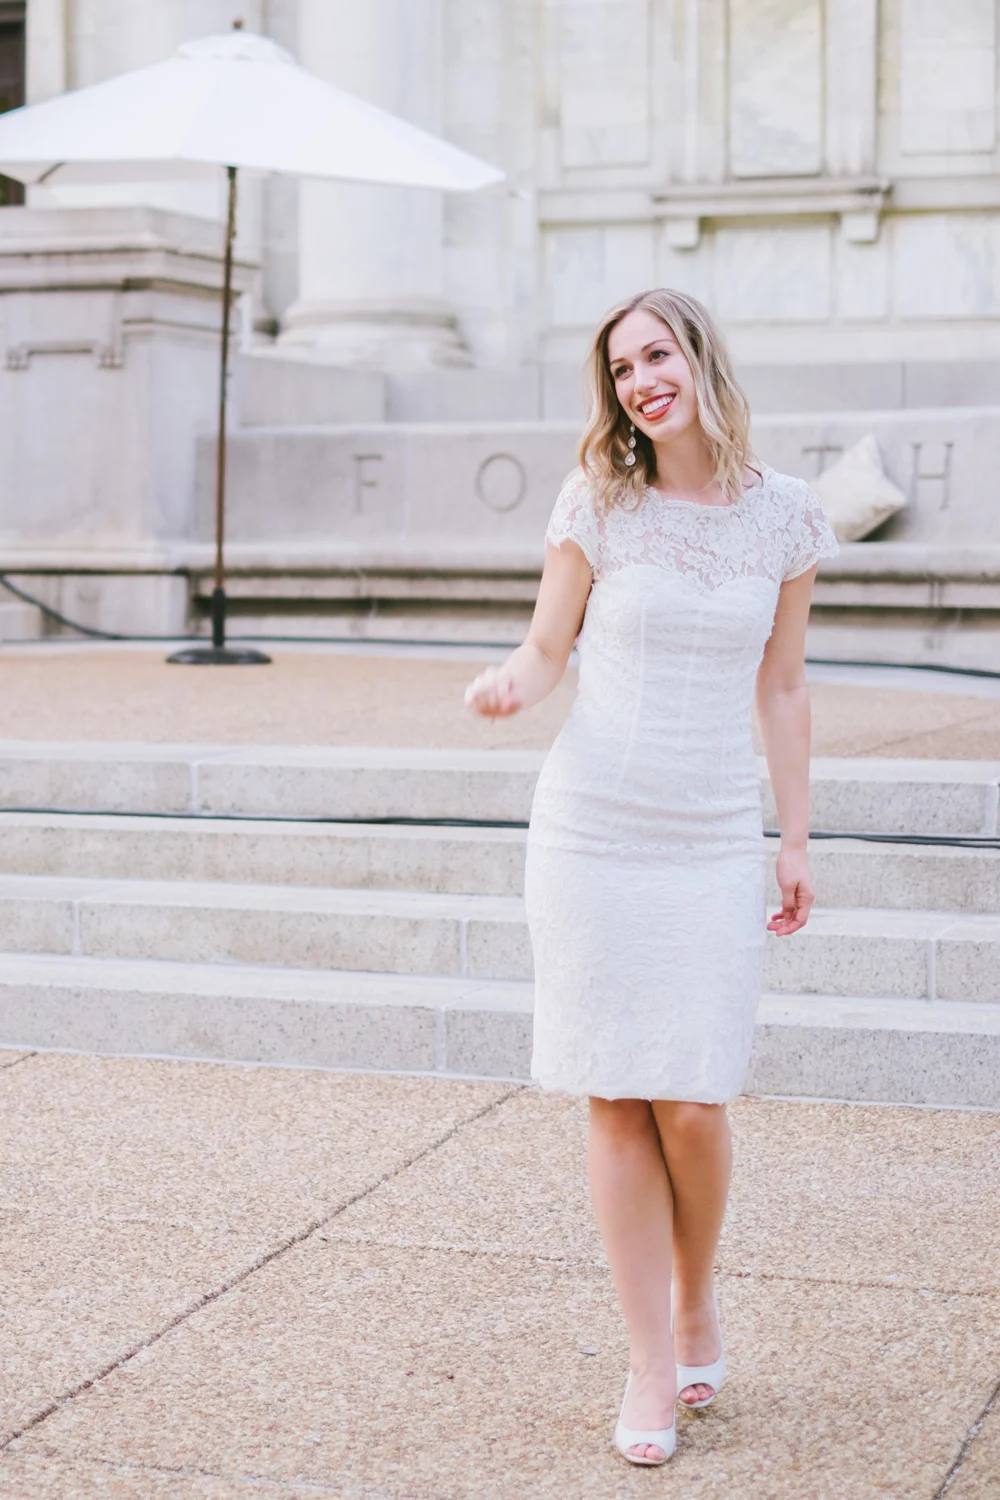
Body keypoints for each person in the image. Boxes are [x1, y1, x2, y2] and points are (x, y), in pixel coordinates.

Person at [464, 288, 838, 1466]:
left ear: (700, 359)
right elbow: (547, 645)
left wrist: (793, 838)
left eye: (656, 355)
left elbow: (784, 685)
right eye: (621, 369)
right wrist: (511, 686)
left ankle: (694, 1296)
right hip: (590, 832)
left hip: (711, 835)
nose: (640, 383)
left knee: (693, 1098)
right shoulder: (599, 501)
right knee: (616, 1096)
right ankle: (647, 1358)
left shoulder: (787, 517)